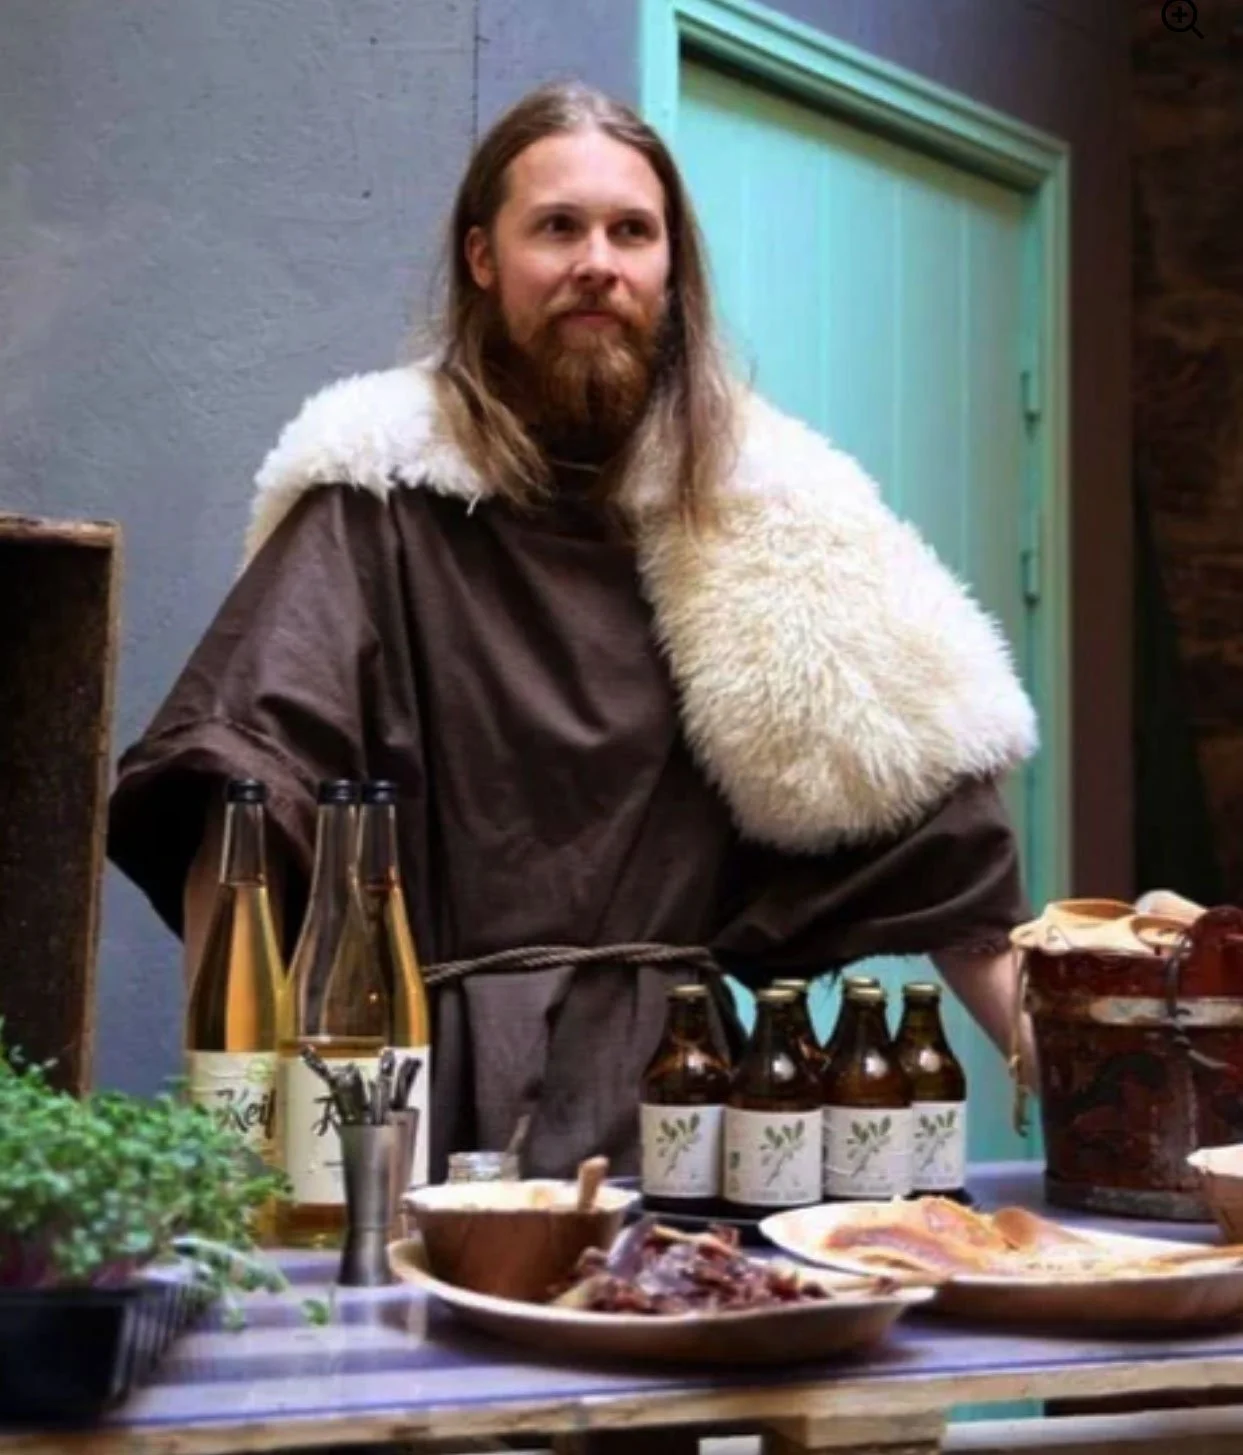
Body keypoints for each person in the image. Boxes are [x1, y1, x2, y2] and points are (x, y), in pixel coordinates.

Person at [108, 81, 1040, 1182]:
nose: (597, 261)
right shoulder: (376, 504)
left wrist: (1081, 1078)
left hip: (685, 1113)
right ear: (482, 257)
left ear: (669, 269)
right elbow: (239, 793)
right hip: (428, 1112)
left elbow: (939, 840)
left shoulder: (768, 518)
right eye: (557, 227)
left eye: (630, 232)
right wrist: (236, 1134)